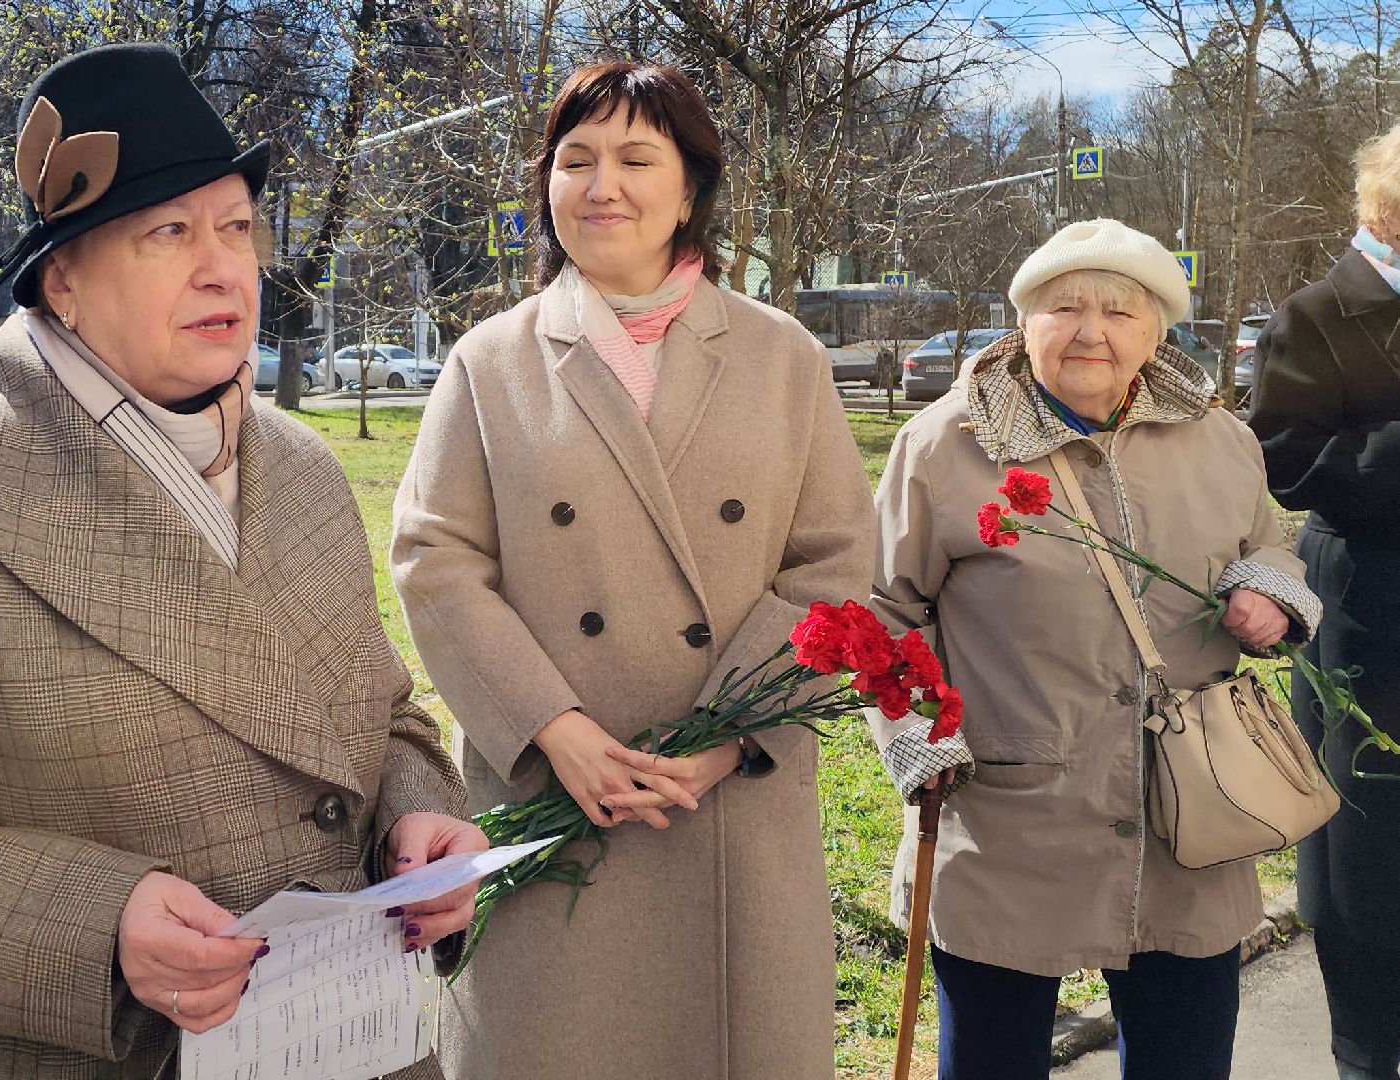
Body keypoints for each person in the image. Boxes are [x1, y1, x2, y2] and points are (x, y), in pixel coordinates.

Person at [0, 44, 480, 1080]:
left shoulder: (306, 467)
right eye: (169, 232)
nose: (222, 265)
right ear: (62, 279)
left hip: (349, 1040)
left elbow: (378, 719)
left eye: (237, 226)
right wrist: (103, 929)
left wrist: (423, 813)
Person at [389, 61, 874, 1080]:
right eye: (576, 159)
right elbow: (438, 562)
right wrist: (555, 731)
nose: (601, 184)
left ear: (690, 189)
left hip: (732, 808)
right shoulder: (492, 360)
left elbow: (831, 566)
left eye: (635, 157)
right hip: (556, 810)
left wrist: (730, 736)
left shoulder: (783, 356)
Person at [869, 218, 1322, 1080]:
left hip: (1189, 812)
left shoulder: (1219, 440)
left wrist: (1269, 591)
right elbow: (887, 613)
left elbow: (1269, 544)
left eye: (1119, 312)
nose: (1090, 332)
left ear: (1156, 331)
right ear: (1024, 322)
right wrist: (916, 737)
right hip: (1008, 813)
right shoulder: (943, 445)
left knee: (1186, 1058)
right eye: (1064, 307)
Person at [1250, 122, 1400, 1080]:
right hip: (1372, 622)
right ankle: (1370, 1055)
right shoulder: (1318, 312)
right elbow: (1284, 459)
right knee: (1367, 859)